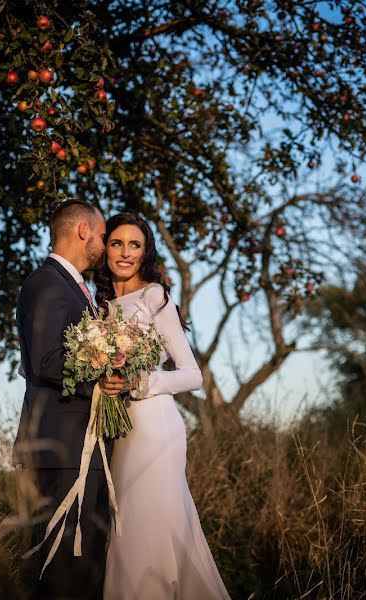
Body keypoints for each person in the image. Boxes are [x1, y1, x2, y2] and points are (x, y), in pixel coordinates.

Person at [95, 213, 231, 600]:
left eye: (134, 245)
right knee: (129, 528)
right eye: (117, 243)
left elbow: (192, 375)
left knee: (147, 528)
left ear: (145, 252)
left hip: (155, 428)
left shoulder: (155, 297)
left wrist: (144, 383)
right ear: (105, 248)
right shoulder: (100, 305)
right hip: (119, 431)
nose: (124, 252)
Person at [12, 199, 126, 599]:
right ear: (82, 231)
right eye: (100, 235)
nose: (103, 243)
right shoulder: (46, 283)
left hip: (82, 448)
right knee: (61, 573)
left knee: (84, 570)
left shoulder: (76, 289)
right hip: (61, 450)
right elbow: (45, 360)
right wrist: (103, 376)